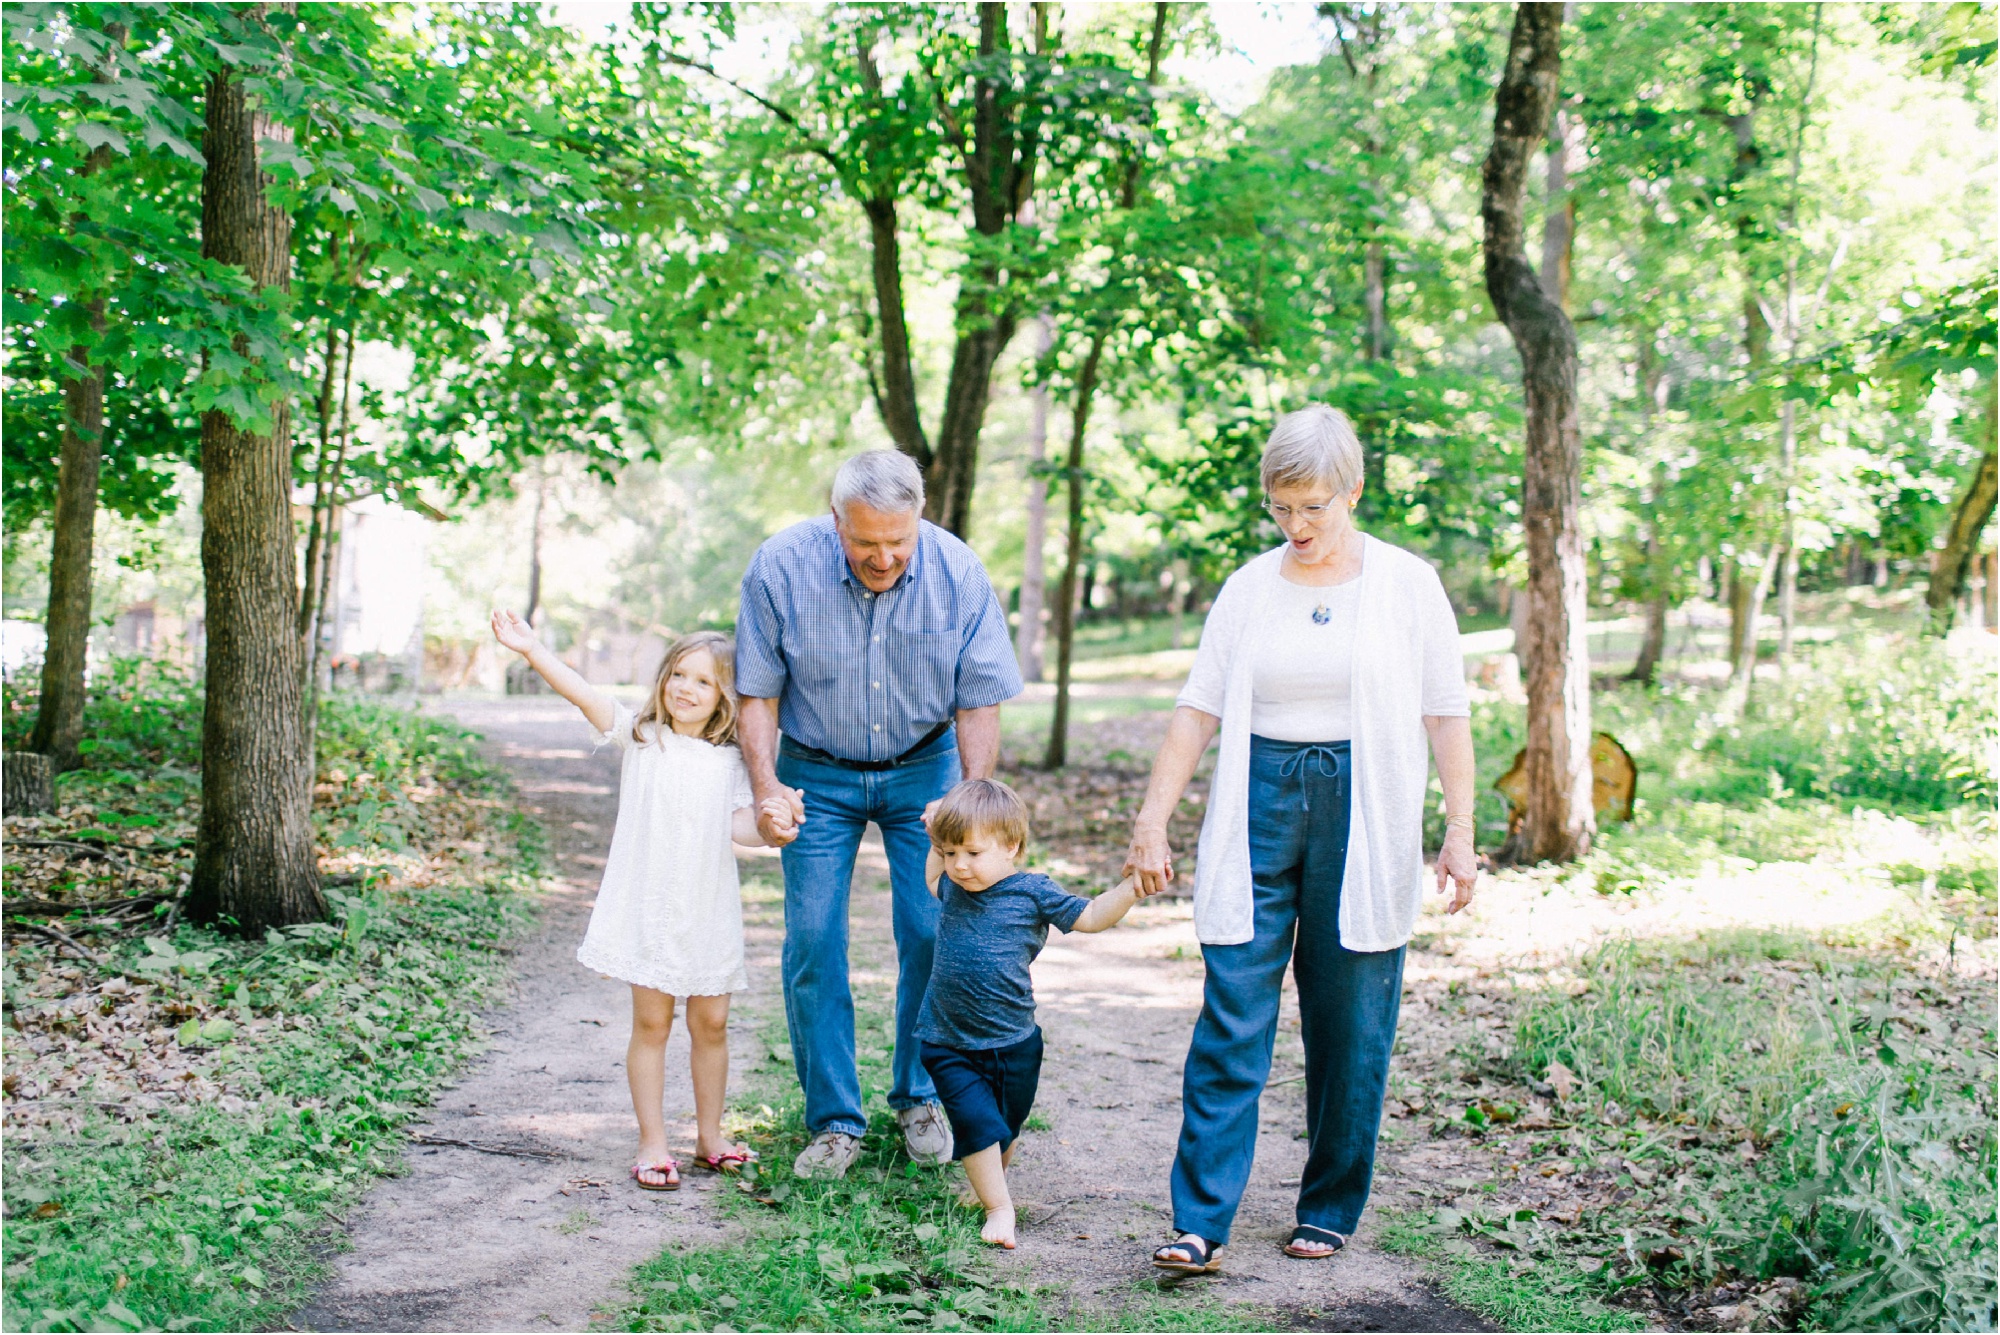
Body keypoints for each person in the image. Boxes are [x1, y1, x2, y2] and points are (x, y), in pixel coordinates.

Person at [1121, 404, 1480, 1274]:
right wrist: (1151, 816)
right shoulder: (1249, 588)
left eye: (1315, 506)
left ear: (1354, 490)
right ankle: (1197, 1221)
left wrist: (1460, 830)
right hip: (1258, 800)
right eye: (1282, 508)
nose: (1298, 526)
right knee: (1233, 1007)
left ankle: (1328, 1205)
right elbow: (1198, 708)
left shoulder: (1406, 584)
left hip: (1367, 809)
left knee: (1350, 1015)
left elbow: (1446, 710)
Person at [735, 450, 1024, 1181]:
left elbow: (979, 695)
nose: (886, 556)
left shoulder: (958, 573)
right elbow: (758, 693)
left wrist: (968, 796)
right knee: (811, 938)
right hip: (815, 770)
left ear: (918, 518)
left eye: (899, 540)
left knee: (932, 930)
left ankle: (918, 1093)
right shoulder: (779, 567)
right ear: (836, 521)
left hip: (924, 766)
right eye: (866, 543)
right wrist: (767, 786)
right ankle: (834, 1119)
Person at [491, 614, 795, 1191]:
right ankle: (653, 1142)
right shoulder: (641, 736)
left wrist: (777, 824)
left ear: (725, 697)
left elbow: (745, 828)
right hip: (650, 906)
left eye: (703, 682)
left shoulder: (733, 763)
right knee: (652, 1023)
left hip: (706, 907)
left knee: (713, 1023)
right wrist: (533, 650)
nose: (685, 688)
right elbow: (583, 693)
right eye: (678, 674)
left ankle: (710, 1136)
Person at [917, 778, 1148, 1248]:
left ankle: (989, 1182)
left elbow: (1090, 916)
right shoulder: (955, 884)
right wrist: (934, 838)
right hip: (947, 1038)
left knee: (1006, 1123)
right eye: (949, 852)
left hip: (1014, 1041)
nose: (959, 866)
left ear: (1011, 847)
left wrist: (1131, 889)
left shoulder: (1033, 892)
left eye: (972, 854)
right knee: (977, 1123)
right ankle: (999, 1208)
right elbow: (932, 877)